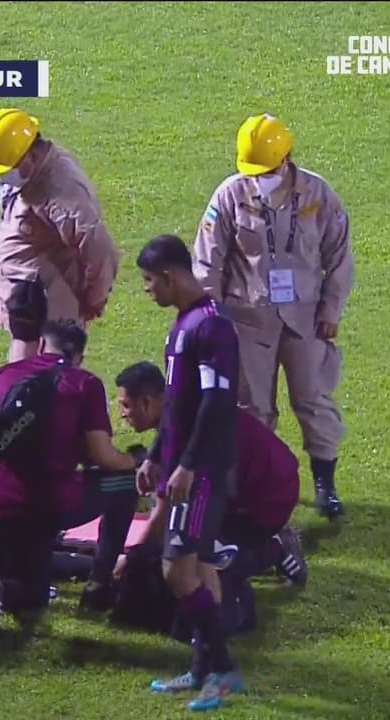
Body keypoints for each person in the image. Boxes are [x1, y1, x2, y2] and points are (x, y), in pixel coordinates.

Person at [192, 113, 354, 519]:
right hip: (247, 319)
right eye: (254, 171)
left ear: (286, 159)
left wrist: (331, 310)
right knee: (252, 408)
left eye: (265, 170)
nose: (259, 178)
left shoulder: (317, 195)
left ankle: (325, 483)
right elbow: (208, 260)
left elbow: (339, 256)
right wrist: (211, 316)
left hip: (306, 318)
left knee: (313, 400)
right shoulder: (230, 195)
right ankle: (257, 483)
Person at [0, 319, 142, 626]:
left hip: (1, 503)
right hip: (51, 504)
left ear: (42, 345)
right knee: (126, 484)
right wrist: (135, 459)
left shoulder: (1, 375)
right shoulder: (84, 383)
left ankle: (0, 589)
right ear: (79, 356)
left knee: (31, 590)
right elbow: (102, 456)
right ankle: (98, 587)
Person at [134, 234, 246, 711]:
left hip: (201, 473)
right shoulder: (184, 323)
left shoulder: (211, 328)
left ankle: (224, 670)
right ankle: (202, 669)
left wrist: (187, 464)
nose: (146, 290)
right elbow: (178, 405)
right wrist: (155, 454)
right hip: (184, 466)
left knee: (177, 572)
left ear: (169, 276)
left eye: (148, 280)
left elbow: (216, 404)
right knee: (198, 569)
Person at [113, 361, 307, 587]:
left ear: (146, 403)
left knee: (194, 563)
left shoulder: (183, 433)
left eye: (125, 406)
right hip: (259, 483)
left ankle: (276, 549)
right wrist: (152, 460)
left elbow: (163, 514)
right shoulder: (181, 406)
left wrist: (131, 559)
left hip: (269, 497)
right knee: (179, 540)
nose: (122, 415)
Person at [0, 108, 122, 361]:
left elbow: (97, 247)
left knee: (37, 378)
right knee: (21, 374)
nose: (5, 175)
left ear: (31, 155)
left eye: (9, 167)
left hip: (50, 311)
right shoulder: (29, 172)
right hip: (28, 307)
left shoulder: (63, 190)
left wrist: (94, 298)